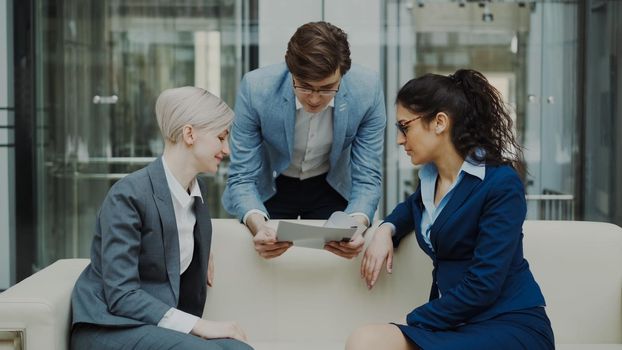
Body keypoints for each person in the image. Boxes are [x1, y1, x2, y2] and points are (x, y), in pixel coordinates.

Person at [346, 69, 555, 350]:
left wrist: (412, 320)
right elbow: (410, 208)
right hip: (454, 325)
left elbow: (484, 284)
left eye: (405, 126)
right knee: (364, 341)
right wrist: (385, 229)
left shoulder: (500, 184)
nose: (399, 139)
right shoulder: (430, 182)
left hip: (508, 324)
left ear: (440, 122)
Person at [70, 87, 252, 350]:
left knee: (240, 349)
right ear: (189, 134)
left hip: (153, 328)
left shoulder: (197, 201)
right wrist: (199, 326)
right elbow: (121, 295)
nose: (227, 149)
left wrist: (200, 245)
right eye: (221, 137)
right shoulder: (129, 195)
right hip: (110, 325)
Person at [222, 21, 386, 260]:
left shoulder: (367, 90)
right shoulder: (256, 88)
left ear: (343, 74)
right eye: (305, 87)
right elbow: (242, 175)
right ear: (291, 71)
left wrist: (356, 226)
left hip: (331, 183)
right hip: (273, 184)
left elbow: (368, 176)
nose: (315, 99)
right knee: (262, 259)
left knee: (333, 265)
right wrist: (258, 226)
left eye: (328, 88)